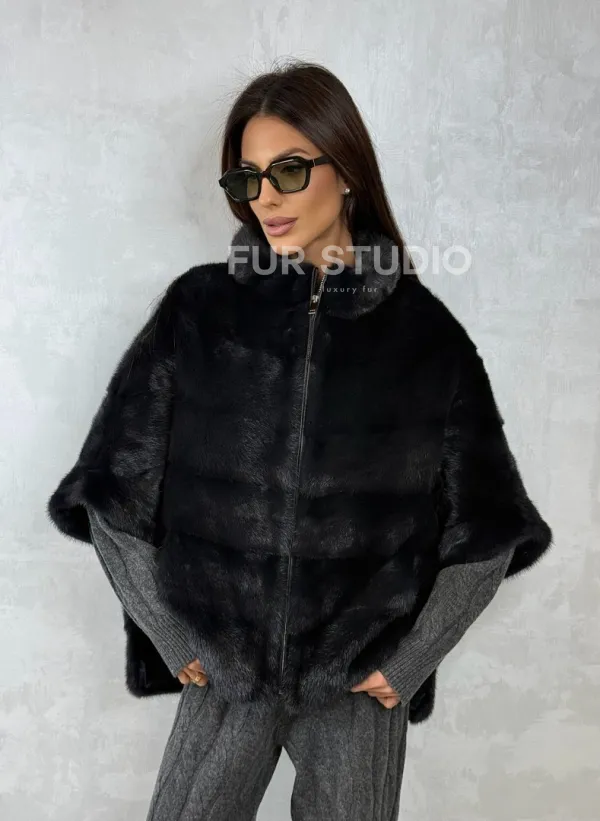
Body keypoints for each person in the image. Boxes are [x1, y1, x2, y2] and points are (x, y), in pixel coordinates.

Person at [46, 61, 553, 820]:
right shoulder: (199, 312)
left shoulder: (425, 338)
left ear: (345, 170)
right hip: (225, 672)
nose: (267, 199)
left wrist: (409, 659)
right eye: (247, 178)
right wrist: (175, 633)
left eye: (288, 169)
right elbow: (110, 493)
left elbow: (490, 528)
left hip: (356, 684)